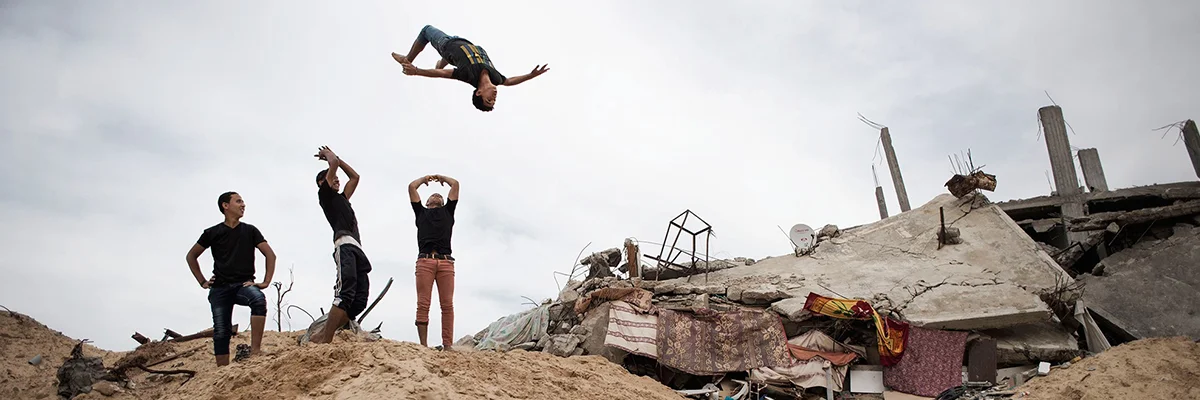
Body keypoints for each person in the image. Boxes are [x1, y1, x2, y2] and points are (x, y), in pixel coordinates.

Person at [185, 191, 276, 366]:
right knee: (221, 329)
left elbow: (270, 255)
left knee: (258, 299)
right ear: (225, 206)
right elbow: (191, 256)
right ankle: (223, 370)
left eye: (243, 201)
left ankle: (255, 352)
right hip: (219, 287)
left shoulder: (250, 230)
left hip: (243, 284)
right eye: (238, 201)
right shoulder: (212, 232)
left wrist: (265, 282)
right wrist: (202, 281)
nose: (243, 205)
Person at [391, 25, 550, 112]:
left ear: (479, 92)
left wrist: (416, 70)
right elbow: (509, 81)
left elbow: (441, 74)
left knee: (426, 30)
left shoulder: (468, 75)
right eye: (494, 100)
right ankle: (443, 60)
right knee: (453, 59)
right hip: (463, 43)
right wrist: (531, 75)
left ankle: (407, 60)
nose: (494, 97)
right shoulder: (496, 78)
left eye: (489, 100)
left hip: (446, 44)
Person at [308, 145, 373, 344]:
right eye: (332, 177)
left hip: (357, 247)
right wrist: (329, 156)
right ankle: (325, 340)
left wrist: (339, 159)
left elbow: (355, 177)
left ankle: (323, 335)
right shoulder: (325, 196)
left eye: (337, 178)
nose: (337, 179)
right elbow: (333, 165)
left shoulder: (342, 199)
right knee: (345, 291)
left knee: (359, 298)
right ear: (322, 183)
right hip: (344, 245)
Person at [407, 174, 460, 350]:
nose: (436, 195)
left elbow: (456, 184)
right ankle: (423, 345)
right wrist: (424, 180)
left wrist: (440, 178)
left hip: (446, 263)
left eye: (439, 195)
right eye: (432, 195)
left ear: (443, 203)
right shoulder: (421, 212)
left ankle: (448, 345)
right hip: (425, 261)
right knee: (423, 303)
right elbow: (412, 187)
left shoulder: (448, 212)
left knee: (447, 305)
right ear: (427, 203)